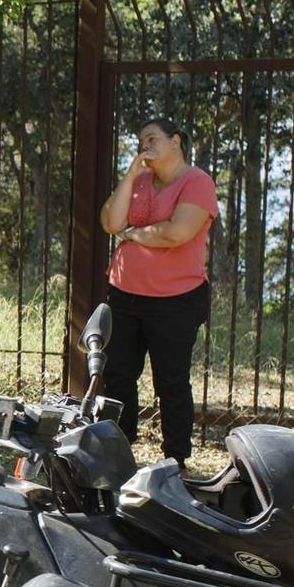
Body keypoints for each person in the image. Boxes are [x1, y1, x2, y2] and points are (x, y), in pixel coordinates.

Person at [99, 118, 218, 465]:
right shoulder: (139, 181)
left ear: (176, 141)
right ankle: (117, 452)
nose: (144, 145)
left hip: (175, 301)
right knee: (118, 375)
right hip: (124, 294)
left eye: (151, 138)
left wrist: (133, 233)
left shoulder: (197, 182)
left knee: (171, 381)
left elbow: (176, 233)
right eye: (140, 141)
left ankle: (175, 460)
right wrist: (130, 175)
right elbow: (110, 222)